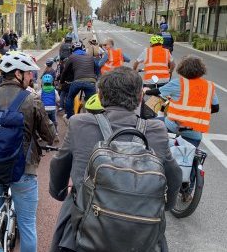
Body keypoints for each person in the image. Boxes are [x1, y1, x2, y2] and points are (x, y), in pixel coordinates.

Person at [49, 67, 182, 252]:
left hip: (86, 229)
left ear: (100, 95)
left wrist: (58, 192)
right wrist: (165, 205)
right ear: (139, 96)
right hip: (140, 231)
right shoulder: (156, 130)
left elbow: (59, 164)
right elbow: (174, 175)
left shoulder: (79, 123)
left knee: (68, 221)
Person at [0, 51, 55, 252]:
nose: (31, 78)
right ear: (18, 73)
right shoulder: (32, 99)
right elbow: (50, 135)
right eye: (29, 73)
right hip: (23, 170)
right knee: (27, 224)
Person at [146, 55, 219, 148]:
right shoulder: (209, 86)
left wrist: (146, 90)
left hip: (174, 125)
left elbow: (158, 91)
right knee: (189, 156)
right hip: (195, 131)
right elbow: (216, 108)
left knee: (146, 126)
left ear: (182, 69)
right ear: (202, 69)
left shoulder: (178, 83)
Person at [60, 42, 98, 119]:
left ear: (72, 50)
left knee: (70, 97)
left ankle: (70, 116)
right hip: (91, 81)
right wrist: (96, 78)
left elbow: (65, 71)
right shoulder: (90, 56)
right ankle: (94, 117)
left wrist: (62, 81)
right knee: (92, 99)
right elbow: (96, 68)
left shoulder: (72, 57)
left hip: (77, 81)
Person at [39, 74, 60, 141]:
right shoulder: (54, 90)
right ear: (52, 82)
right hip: (52, 108)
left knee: (42, 122)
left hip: (44, 109)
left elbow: (38, 97)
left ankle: (41, 136)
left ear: (43, 82)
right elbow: (58, 99)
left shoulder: (41, 90)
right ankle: (56, 134)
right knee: (54, 121)